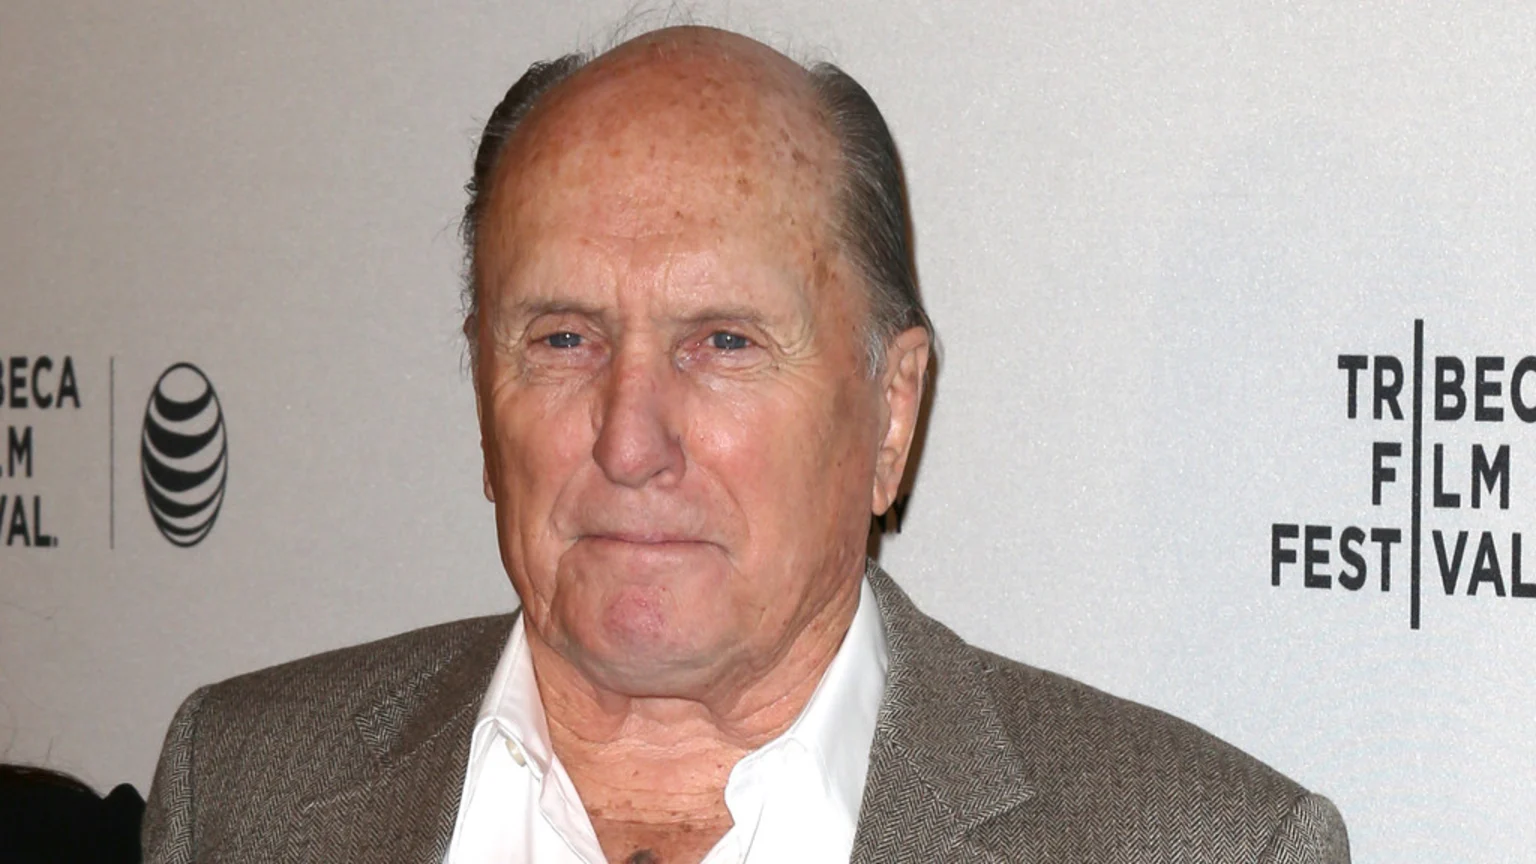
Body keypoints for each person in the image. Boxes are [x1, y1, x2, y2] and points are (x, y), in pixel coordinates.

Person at [142, 25, 1350, 864]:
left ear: (891, 413)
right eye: (563, 339)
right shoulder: (242, 788)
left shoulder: (1205, 846)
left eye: (722, 341)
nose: (629, 439)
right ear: (480, 388)